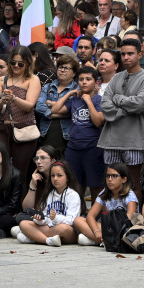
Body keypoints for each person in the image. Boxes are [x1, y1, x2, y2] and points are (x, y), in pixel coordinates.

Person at [98, 39, 144, 201]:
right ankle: (111, 218)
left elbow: (140, 104)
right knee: (111, 184)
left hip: (134, 140)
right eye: (123, 54)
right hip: (111, 139)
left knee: (133, 183)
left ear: (140, 54)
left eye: (130, 53)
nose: (126, 57)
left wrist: (118, 99)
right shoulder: (116, 78)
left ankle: (133, 219)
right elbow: (105, 105)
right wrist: (126, 107)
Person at [0, 46, 42, 194]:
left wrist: (14, 98)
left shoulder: (33, 79)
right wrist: (1, 102)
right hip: (2, 128)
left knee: (20, 172)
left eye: (20, 63)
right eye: (13, 62)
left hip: (24, 130)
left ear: (27, 63)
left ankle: (19, 208)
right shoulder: (2, 79)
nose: (16, 66)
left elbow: (29, 106)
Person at [52, 66, 105, 202]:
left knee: (95, 185)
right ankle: (77, 214)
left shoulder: (99, 100)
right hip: (73, 148)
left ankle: (96, 216)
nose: (84, 82)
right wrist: (69, 94)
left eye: (88, 79)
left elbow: (98, 121)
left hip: (93, 148)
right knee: (75, 185)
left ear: (95, 82)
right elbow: (55, 109)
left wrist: (88, 101)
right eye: (81, 79)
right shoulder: (74, 100)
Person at [15, 162, 83, 246]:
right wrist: (39, 219)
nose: (55, 179)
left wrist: (55, 218)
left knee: (63, 228)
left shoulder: (73, 195)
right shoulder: (49, 194)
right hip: (49, 227)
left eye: (59, 175)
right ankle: (47, 240)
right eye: (52, 176)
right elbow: (45, 217)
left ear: (68, 177)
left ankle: (34, 237)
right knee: (23, 223)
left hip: (67, 231)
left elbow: (72, 221)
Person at [74, 163, 138, 246]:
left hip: (124, 229)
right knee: (78, 220)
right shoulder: (105, 192)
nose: (110, 179)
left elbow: (129, 219)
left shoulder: (130, 195)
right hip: (109, 228)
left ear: (124, 179)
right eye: (108, 176)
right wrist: (96, 232)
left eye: (114, 176)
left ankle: (98, 240)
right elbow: (90, 216)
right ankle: (102, 240)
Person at [35, 54, 78, 158]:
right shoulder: (48, 86)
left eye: (66, 68)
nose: (62, 70)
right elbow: (39, 107)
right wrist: (57, 114)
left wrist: (50, 103)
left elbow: (71, 110)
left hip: (66, 136)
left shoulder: (77, 89)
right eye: (60, 67)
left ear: (74, 73)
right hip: (46, 134)